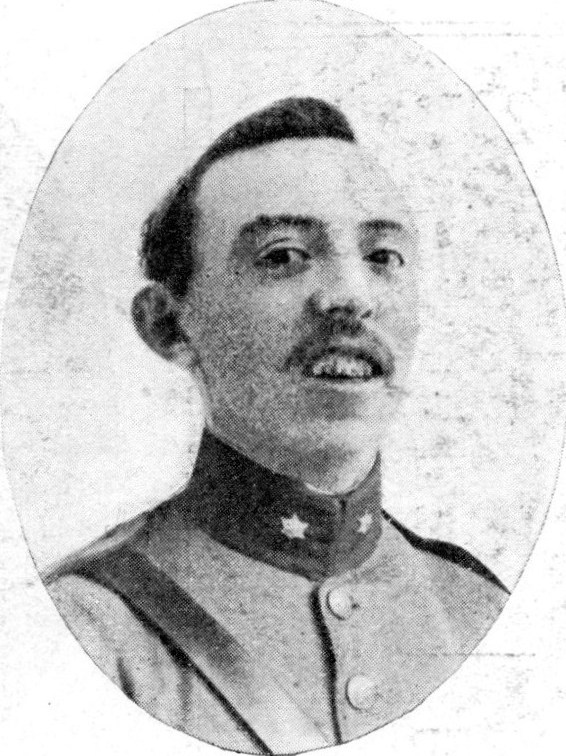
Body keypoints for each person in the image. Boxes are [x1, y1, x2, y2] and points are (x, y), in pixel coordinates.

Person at [45, 97, 509, 754]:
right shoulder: (85, 629)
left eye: (382, 255)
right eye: (284, 255)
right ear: (168, 325)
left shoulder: (479, 610)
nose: (351, 296)